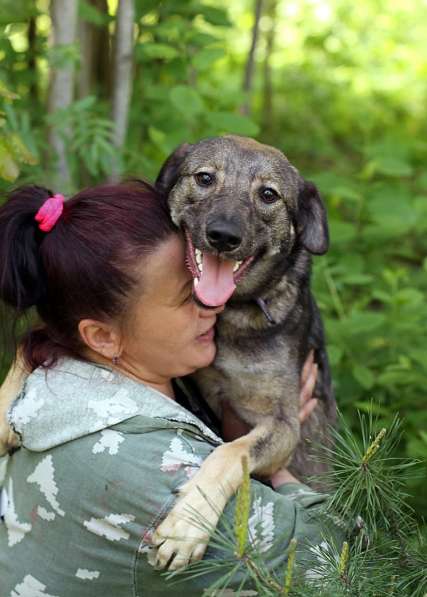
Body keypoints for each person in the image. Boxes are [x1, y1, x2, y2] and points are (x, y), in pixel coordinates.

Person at [0, 180, 343, 596]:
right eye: (187, 297)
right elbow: (340, 563)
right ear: (102, 336)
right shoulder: (155, 471)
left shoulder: (55, 376)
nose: (214, 303)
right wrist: (274, 466)